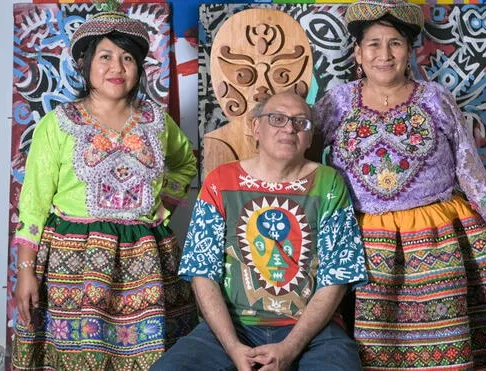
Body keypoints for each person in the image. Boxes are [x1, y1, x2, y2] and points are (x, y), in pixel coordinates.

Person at [313, 0, 486, 369]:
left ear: (408, 50)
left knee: (444, 346)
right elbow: (306, 166)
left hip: (439, 241)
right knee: (375, 351)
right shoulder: (337, 101)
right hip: (365, 245)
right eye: (373, 44)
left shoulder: (434, 97)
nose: (384, 54)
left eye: (395, 43)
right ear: (357, 52)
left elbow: (469, 168)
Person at [11, 11, 198, 370]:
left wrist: (165, 204)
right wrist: (25, 272)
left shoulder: (156, 120)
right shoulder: (59, 123)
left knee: (152, 358)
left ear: (140, 68)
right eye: (106, 56)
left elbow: (184, 163)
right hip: (75, 264)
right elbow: (33, 202)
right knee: (80, 357)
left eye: (128, 58)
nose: (118, 67)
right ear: (85, 64)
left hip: (146, 261)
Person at [151, 91, 368, 371]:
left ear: (310, 137)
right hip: (232, 327)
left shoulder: (328, 183)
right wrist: (232, 346)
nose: (289, 128)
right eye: (277, 119)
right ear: (256, 127)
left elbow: (337, 277)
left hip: (313, 332)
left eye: (301, 123)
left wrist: (289, 348)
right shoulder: (221, 182)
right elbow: (202, 273)